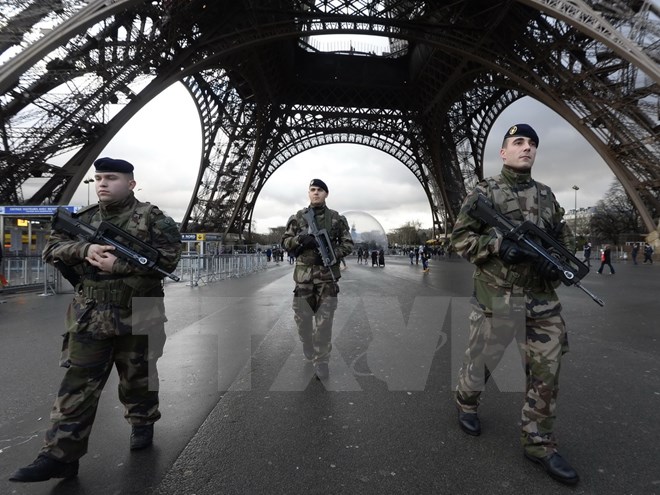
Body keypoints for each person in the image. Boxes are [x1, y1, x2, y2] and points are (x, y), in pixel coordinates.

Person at [9, 157, 182, 483]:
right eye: (99, 177)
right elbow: (52, 248)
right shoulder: (82, 219)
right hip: (90, 314)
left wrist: (117, 266)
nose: (102, 183)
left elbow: (168, 261)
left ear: (131, 183)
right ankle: (60, 455)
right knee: (77, 386)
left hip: (141, 311)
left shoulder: (156, 220)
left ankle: (142, 420)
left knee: (139, 379)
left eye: (111, 178)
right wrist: (84, 250)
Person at [451, 124, 579, 485]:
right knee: (482, 363)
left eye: (532, 144)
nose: (527, 148)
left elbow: (563, 242)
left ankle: (538, 442)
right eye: (518, 142)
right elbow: (460, 238)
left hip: (541, 302)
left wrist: (555, 262)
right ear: (503, 153)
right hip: (497, 299)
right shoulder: (484, 192)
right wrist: (496, 246)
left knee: (546, 375)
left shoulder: (548, 197)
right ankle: (466, 401)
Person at [281, 179, 353, 380]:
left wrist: (331, 253)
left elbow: (348, 244)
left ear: (326, 194)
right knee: (303, 321)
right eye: (312, 190)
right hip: (303, 279)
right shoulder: (298, 217)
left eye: (319, 190)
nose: (315, 193)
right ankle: (307, 344)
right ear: (308, 193)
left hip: (326, 278)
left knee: (324, 323)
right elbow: (285, 242)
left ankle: (321, 361)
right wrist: (300, 240)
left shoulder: (336, 219)